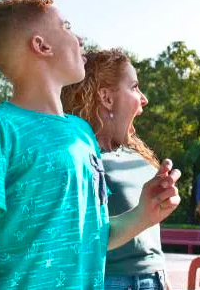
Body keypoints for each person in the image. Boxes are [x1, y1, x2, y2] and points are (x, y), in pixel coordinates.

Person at [0, 0, 181, 290]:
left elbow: (92, 236)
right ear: (41, 45)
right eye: (66, 26)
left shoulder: (82, 134)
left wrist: (143, 214)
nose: (79, 38)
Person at [61, 48, 172, 290]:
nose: (144, 99)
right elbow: (75, 234)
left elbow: (151, 243)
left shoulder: (137, 155)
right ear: (107, 98)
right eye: (134, 87)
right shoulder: (76, 156)